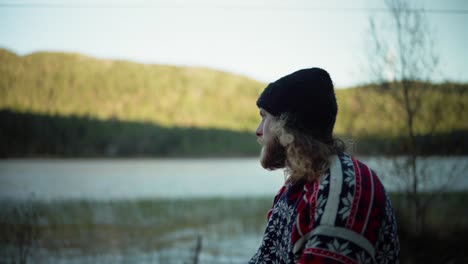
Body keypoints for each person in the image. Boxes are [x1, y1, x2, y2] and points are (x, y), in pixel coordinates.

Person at [249, 68, 400, 264]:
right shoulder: (297, 186)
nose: (258, 131)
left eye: (264, 116)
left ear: (285, 124)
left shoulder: (345, 185)